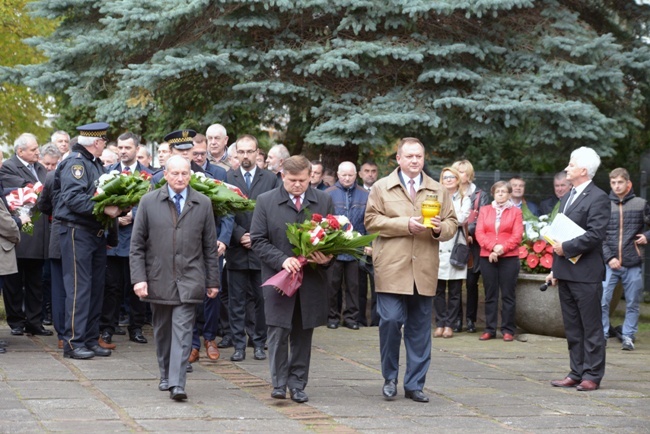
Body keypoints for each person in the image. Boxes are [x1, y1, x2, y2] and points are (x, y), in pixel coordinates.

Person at [365, 137, 457, 403]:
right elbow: (371, 221)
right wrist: (406, 224)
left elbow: (452, 221)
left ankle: (415, 384)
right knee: (391, 321)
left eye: (419, 156)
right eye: (409, 156)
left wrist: (440, 228)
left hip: (424, 268)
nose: (415, 160)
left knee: (419, 329)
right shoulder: (382, 187)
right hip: (392, 267)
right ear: (398, 159)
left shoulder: (438, 189)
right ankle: (390, 378)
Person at [130, 155, 219, 401]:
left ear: (190, 175)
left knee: (183, 331)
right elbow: (136, 245)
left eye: (185, 173)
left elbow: (209, 247)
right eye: (175, 173)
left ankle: (177, 383)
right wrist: (139, 278)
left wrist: (212, 281)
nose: (180, 178)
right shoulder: (149, 202)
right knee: (162, 332)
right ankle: (165, 374)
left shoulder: (203, 203)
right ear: (165, 175)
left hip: (190, 278)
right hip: (158, 278)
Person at [250, 155, 334, 404]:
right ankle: (278, 383)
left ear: (311, 177)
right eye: (292, 180)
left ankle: (297, 384)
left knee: (302, 332)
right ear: (282, 176)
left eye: (303, 181)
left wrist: (326, 258)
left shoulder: (323, 200)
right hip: (279, 278)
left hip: (311, 280)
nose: (297, 185)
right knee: (277, 330)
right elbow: (258, 240)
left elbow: (335, 238)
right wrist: (281, 260)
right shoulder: (266, 201)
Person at [53, 122, 122, 359]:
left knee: (94, 289)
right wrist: (105, 210)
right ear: (95, 142)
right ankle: (73, 342)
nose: (104, 144)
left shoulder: (95, 164)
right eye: (103, 140)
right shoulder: (76, 164)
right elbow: (73, 199)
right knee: (79, 288)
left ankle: (90, 339)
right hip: (77, 232)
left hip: (94, 234)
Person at [546, 146, 610, 392]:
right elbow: (560, 233)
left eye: (571, 165)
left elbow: (596, 234)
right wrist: (555, 268)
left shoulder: (598, 197)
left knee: (590, 326)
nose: (567, 168)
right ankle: (576, 371)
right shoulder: (567, 197)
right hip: (566, 271)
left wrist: (567, 248)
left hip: (586, 274)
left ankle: (592, 374)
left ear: (584, 170)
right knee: (572, 327)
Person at [225, 134, 280, 362]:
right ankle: (238, 344)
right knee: (236, 300)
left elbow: (275, 213)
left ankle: (258, 342)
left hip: (261, 250)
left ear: (258, 153)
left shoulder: (270, 179)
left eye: (250, 151)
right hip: (237, 250)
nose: (246, 156)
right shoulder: (228, 177)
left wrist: (256, 237)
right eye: (242, 151)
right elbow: (224, 210)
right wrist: (239, 235)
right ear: (236, 153)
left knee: (260, 300)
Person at [99, 132, 152, 349]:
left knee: (136, 286)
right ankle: (108, 328)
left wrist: (134, 216)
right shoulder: (107, 174)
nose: (123, 151)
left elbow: (151, 204)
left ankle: (136, 327)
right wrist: (116, 218)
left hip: (137, 242)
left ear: (137, 149)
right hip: (113, 240)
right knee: (111, 287)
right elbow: (101, 202)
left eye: (127, 148)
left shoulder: (148, 176)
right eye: (120, 148)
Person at [0, 133, 52, 337]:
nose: (38, 152)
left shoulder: (40, 167)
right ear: (20, 151)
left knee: (35, 282)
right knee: (14, 282)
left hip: (39, 233)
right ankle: (16, 321)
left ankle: (34, 321)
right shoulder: (9, 167)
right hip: (18, 232)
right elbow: (23, 189)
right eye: (33, 149)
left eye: (37, 148)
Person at [600, 168, 650, 351]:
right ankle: (603, 333)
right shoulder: (604, 204)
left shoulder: (640, 203)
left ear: (628, 184)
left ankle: (628, 336)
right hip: (610, 264)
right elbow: (599, 235)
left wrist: (647, 236)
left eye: (620, 182)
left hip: (633, 262)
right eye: (613, 183)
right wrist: (609, 257)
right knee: (603, 300)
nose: (616, 186)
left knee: (632, 301)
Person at [475, 181, 523, 342]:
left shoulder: (516, 212)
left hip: (509, 257)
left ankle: (508, 329)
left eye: (504, 191)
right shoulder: (485, 210)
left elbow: (517, 235)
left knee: (508, 294)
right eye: (497, 192)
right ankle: (489, 329)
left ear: (509, 194)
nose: (501, 194)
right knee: (490, 294)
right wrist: (493, 248)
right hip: (487, 256)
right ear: (493, 194)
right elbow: (479, 233)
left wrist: (501, 249)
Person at [325, 161, 368, 330]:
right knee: (332, 285)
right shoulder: (328, 194)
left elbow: (368, 222)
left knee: (354, 286)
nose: (347, 178)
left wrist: (367, 243)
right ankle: (332, 317)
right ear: (338, 174)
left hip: (356, 246)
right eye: (344, 175)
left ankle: (351, 318)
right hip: (335, 247)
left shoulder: (365, 195)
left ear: (356, 175)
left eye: (350, 175)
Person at [451, 159, 489, 333]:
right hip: (453, 241)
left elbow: (483, 218)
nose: (460, 174)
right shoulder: (449, 193)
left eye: (463, 171)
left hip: (473, 244)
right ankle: (457, 319)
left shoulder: (480, 194)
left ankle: (471, 319)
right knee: (455, 282)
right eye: (457, 171)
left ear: (470, 174)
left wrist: (468, 233)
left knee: (472, 283)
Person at [433, 167, 471, 339]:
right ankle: (439, 323)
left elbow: (461, 219)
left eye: (451, 177)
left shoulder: (465, 199)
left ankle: (450, 324)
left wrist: (443, 219)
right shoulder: (435, 197)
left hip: (456, 246)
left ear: (457, 180)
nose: (448, 180)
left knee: (455, 291)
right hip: (438, 245)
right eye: (445, 177)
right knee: (438, 290)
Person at [358, 161, 379, 327]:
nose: (370, 174)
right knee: (359, 286)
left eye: (373, 171)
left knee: (377, 286)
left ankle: (376, 320)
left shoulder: (381, 192)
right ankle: (359, 319)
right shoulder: (357, 193)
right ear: (360, 174)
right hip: (358, 244)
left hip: (377, 244)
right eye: (367, 171)